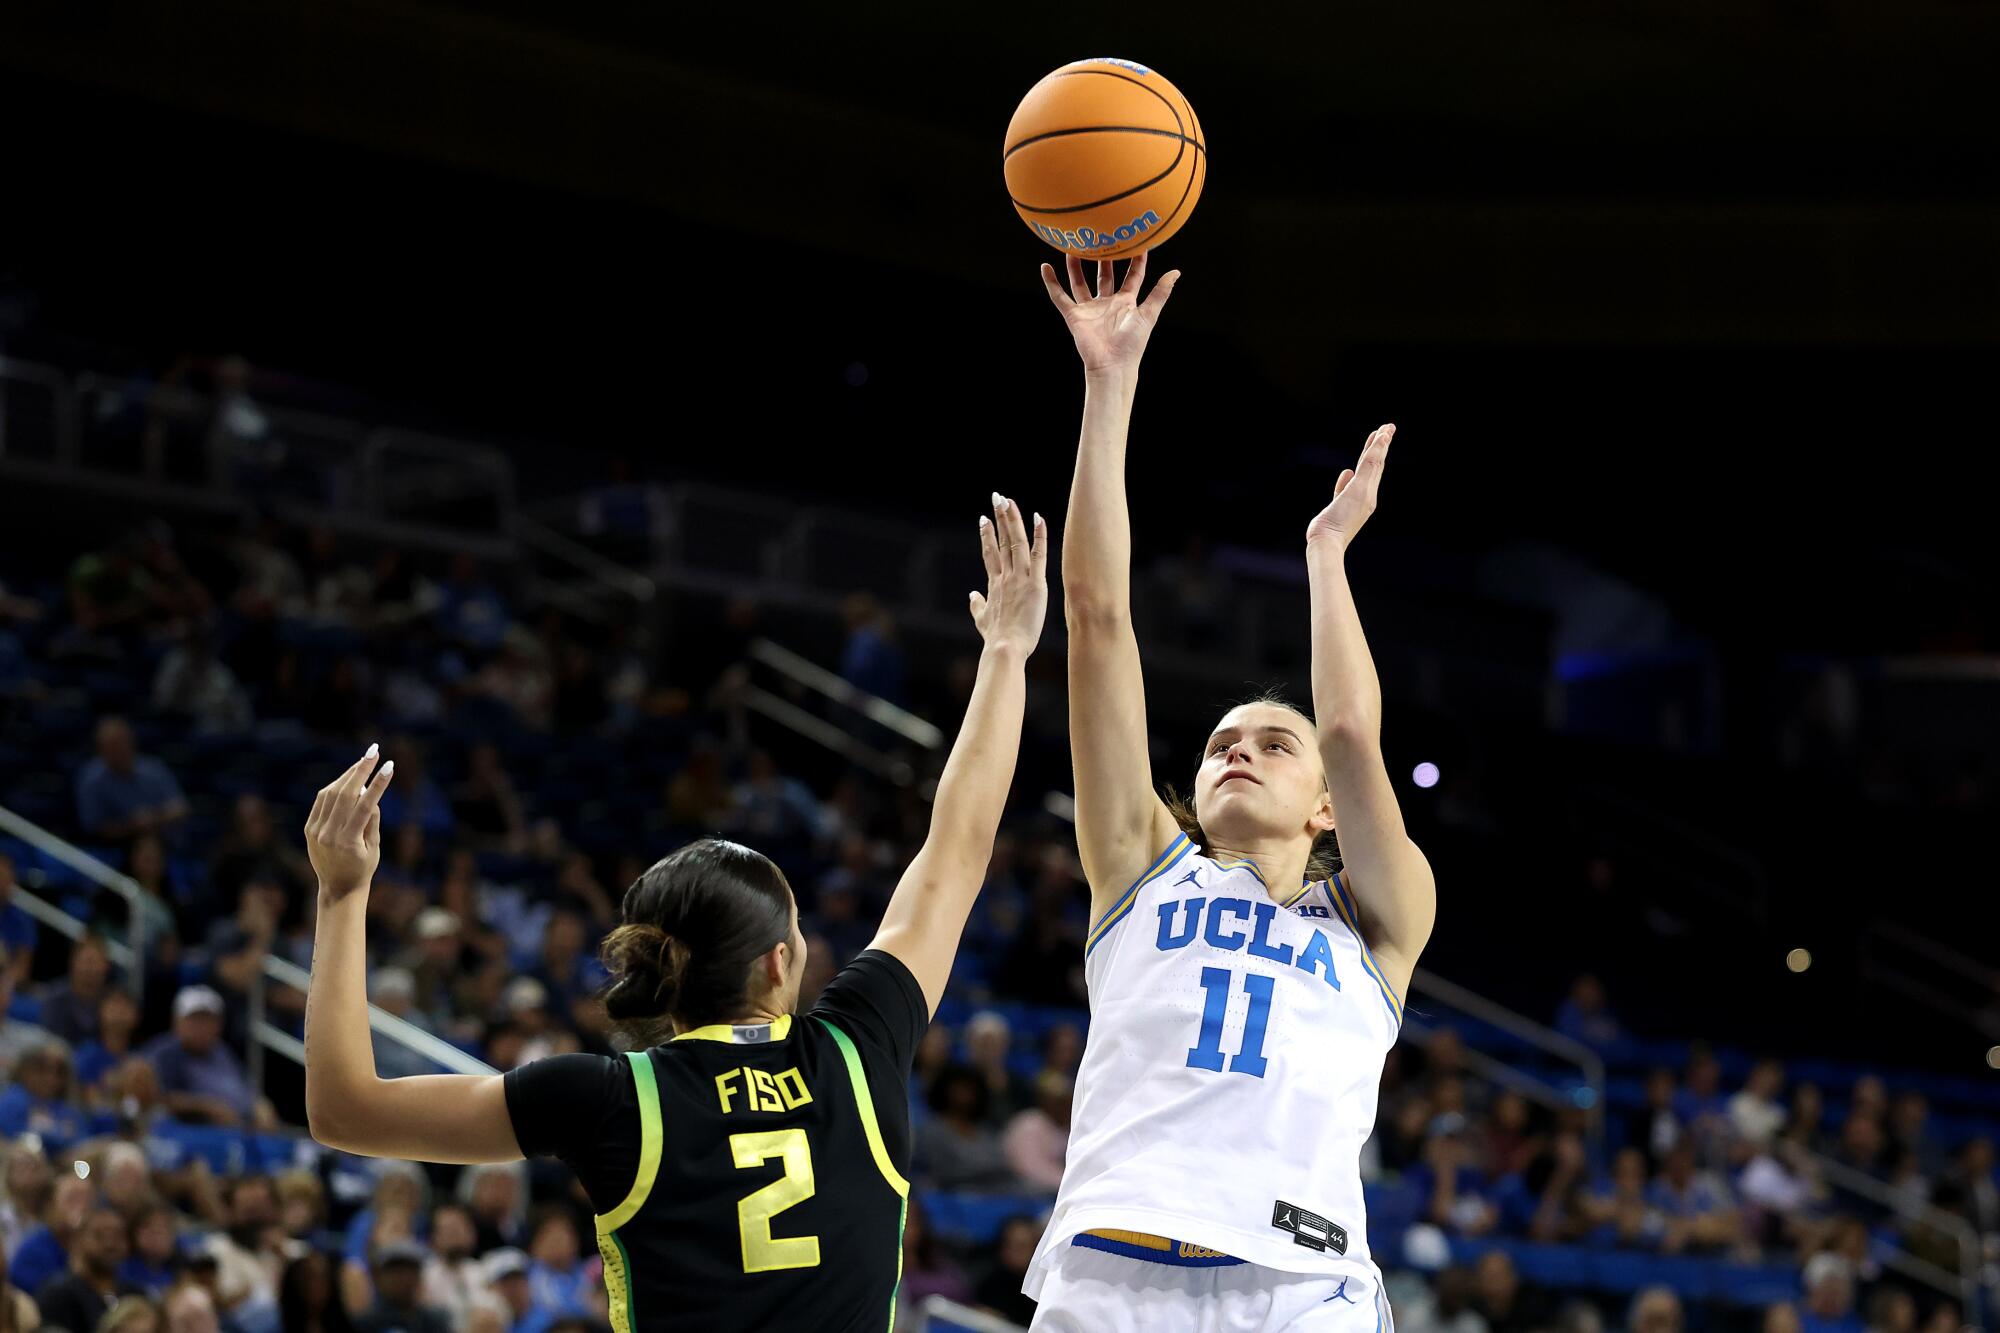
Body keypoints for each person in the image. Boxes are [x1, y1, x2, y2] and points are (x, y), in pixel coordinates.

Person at [298, 497, 1049, 1333]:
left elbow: (342, 1109)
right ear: (775, 960)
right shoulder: (857, 1044)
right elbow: (960, 843)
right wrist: (1007, 653)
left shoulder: (609, 1098)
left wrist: (341, 893)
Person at [1025, 251, 1436, 1327]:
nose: (1235, 752)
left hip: (1300, 1284)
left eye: (1268, 742)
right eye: (1217, 744)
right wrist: (1106, 387)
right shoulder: (1137, 867)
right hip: (1109, 1268)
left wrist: (1326, 556)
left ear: (1324, 810)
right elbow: (1095, 617)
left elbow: (1348, 728)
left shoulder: (1379, 922)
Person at [32, 1207, 140, 1333]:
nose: (110, 1244)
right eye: (99, 1236)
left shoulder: (134, 1294)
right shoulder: (58, 1295)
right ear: (77, 1241)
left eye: (117, 1236)